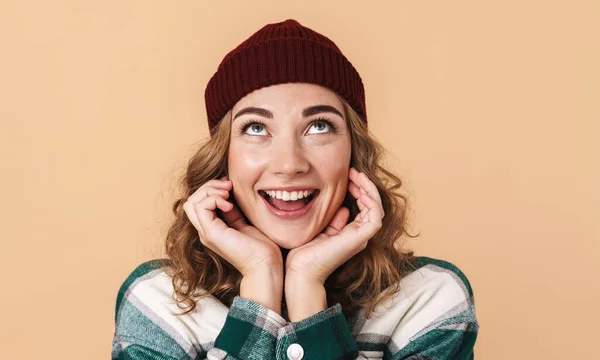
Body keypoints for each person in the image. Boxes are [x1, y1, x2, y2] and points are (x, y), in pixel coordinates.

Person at [112, 19, 479, 360]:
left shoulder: (427, 299)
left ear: (355, 152)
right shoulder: (160, 304)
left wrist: (307, 293)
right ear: (223, 158)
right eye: (256, 128)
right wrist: (259, 284)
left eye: (318, 126)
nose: (289, 164)